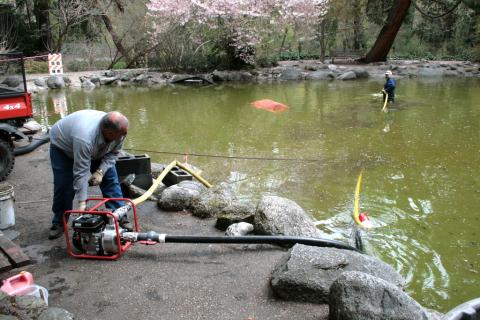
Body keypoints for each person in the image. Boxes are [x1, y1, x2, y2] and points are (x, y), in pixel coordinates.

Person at [48, 110, 129, 239]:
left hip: (96, 148)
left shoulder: (120, 132)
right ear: (108, 133)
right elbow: (81, 172)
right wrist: (82, 202)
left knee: (111, 179)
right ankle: (59, 222)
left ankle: (120, 215)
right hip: (63, 148)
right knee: (64, 185)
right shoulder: (84, 137)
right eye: (119, 136)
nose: (122, 138)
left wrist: (100, 171)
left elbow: (113, 154)